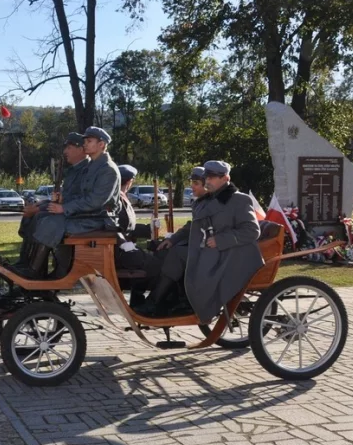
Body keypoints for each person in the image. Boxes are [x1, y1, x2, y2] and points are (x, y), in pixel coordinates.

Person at [138, 161, 263, 322]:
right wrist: (174, 239)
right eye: (206, 178)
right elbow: (195, 225)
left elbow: (252, 230)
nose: (207, 181)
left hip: (229, 255)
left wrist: (220, 240)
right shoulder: (209, 199)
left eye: (211, 178)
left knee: (178, 255)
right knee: (168, 252)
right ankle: (167, 301)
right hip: (210, 250)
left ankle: (158, 303)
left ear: (225, 178)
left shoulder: (239, 200)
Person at [12, 127, 120, 279]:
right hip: (86, 215)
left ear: (101, 145)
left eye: (89, 141)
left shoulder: (108, 170)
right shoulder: (92, 167)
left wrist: (64, 208)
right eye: (85, 141)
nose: (85, 144)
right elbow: (81, 195)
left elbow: (95, 201)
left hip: (97, 219)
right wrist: (64, 202)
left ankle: (34, 271)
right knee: (43, 217)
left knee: (51, 222)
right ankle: (29, 265)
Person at [13, 132, 90, 273]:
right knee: (34, 211)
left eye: (69, 148)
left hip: (77, 214)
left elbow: (83, 198)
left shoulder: (86, 170)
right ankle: (25, 261)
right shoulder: (74, 170)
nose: (65, 151)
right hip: (68, 208)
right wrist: (52, 201)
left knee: (41, 217)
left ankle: (35, 270)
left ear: (80, 149)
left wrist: (49, 206)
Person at [136, 167, 208, 314]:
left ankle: (154, 301)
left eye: (196, 183)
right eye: (192, 182)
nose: (192, 186)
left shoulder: (213, 203)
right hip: (197, 245)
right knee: (162, 250)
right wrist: (173, 240)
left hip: (209, 248)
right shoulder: (200, 202)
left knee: (176, 255)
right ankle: (170, 299)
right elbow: (191, 226)